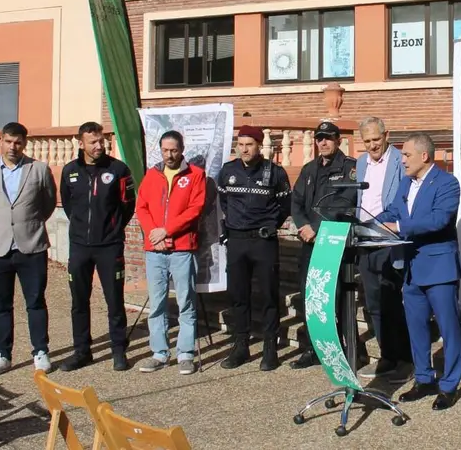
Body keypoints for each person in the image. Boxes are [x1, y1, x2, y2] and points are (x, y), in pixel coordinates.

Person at [375, 133, 461, 410]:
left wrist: (400, 228)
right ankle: (424, 378)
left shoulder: (447, 183)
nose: (402, 161)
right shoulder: (405, 183)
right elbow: (392, 212)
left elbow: (439, 219)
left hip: (439, 268)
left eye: (406, 156)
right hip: (411, 268)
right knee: (416, 328)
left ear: (424, 156)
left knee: (449, 330)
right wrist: (369, 223)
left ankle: (449, 385)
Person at [0, 122, 58, 377]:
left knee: (35, 301)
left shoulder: (39, 170)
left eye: (18, 142)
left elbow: (48, 204)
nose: (13, 147)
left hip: (31, 247)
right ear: (1, 141)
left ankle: (40, 351)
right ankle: (2, 354)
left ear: (25, 143)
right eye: (8, 141)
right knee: (1, 304)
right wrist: (3, 227)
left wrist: (26, 226)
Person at [59, 122, 136, 372]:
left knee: (114, 299)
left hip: (109, 246)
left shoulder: (118, 169)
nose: (99, 146)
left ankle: (118, 350)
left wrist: (113, 228)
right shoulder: (70, 171)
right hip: (80, 246)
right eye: (93, 142)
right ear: (80, 143)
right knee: (79, 301)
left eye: (101, 141)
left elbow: (127, 206)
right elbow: (70, 206)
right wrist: (82, 229)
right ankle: (82, 351)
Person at [217, 125, 291, 371]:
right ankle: (241, 347)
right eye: (241, 144)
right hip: (237, 241)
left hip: (263, 241)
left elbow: (284, 205)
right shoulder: (228, 171)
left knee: (269, 295)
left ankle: (270, 348)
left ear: (259, 146)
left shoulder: (276, 173)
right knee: (238, 295)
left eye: (250, 144)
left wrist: (270, 225)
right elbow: (223, 203)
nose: (245, 149)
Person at [135, 130, 206, 375]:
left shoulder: (196, 175)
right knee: (157, 303)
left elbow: (194, 209)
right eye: (165, 150)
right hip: (155, 250)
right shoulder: (151, 175)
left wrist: (167, 231)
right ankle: (159, 353)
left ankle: (185, 354)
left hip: (182, 248)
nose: (169, 155)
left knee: (186, 302)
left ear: (182, 149)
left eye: (173, 150)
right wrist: (154, 233)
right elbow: (141, 206)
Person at [289, 120, 359, 369]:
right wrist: (303, 226)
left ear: (338, 140)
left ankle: (347, 351)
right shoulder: (309, 169)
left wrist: (318, 228)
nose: (323, 142)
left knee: (337, 300)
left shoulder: (350, 168)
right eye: (319, 138)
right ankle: (312, 349)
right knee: (312, 299)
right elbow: (296, 202)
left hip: (333, 243)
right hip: (309, 243)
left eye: (328, 138)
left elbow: (343, 202)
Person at [354, 117, 412, 383]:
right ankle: (387, 356)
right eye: (367, 141)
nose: (372, 145)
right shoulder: (361, 162)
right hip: (365, 240)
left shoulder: (402, 160)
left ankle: (405, 359)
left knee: (393, 302)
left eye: (376, 139)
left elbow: (406, 198)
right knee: (374, 302)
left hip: (390, 239)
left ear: (386, 135)